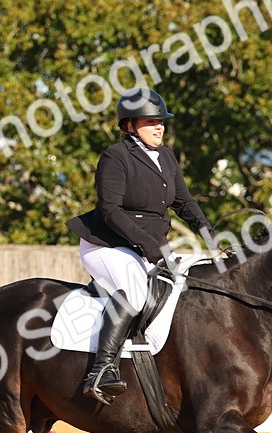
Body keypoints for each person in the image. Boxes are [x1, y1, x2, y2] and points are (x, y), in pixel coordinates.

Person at [66, 88, 215, 403]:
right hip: (106, 245)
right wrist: (149, 244)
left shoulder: (166, 156)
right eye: (151, 122)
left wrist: (207, 231)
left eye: (161, 121)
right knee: (134, 291)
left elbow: (182, 200)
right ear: (130, 125)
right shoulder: (115, 157)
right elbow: (110, 211)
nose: (159, 127)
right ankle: (101, 371)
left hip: (147, 246)